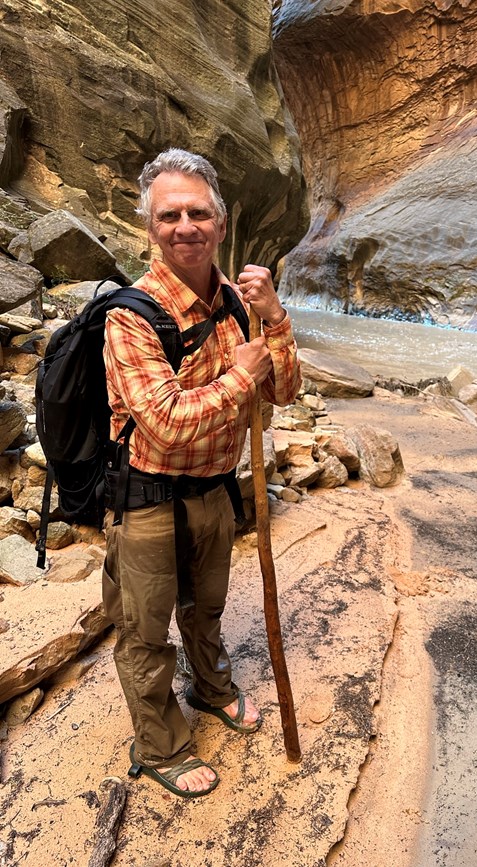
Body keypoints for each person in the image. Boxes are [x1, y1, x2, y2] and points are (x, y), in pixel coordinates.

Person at [101, 148, 301, 798]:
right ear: (149, 226)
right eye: (169, 215)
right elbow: (162, 421)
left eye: (197, 213)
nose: (184, 226)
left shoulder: (241, 303)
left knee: (206, 608)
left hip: (214, 489)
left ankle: (210, 687)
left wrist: (272, 318)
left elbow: (285, 393)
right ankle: (159, 743)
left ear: (219, 221)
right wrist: (243, 371)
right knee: (145, 630)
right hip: (148, 495)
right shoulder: (130, 315)